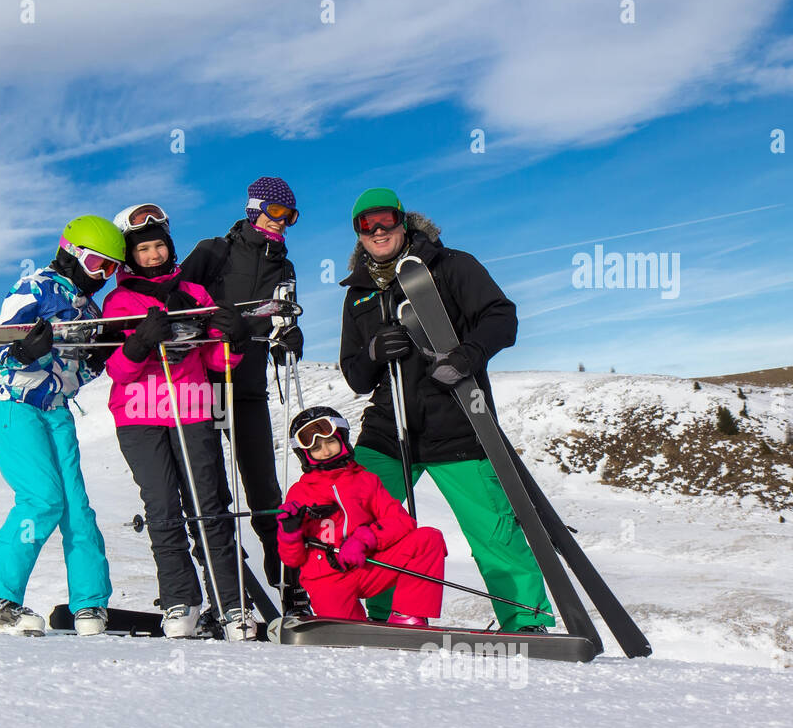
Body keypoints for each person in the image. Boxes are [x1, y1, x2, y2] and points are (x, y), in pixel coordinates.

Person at [338, 187, 553, 632]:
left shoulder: (452, 265)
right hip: (388, 426)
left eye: (385, 220)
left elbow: (501, 317)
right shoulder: (357, 294)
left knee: (493, 530)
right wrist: (374, 352)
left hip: (458, 422)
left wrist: (468, 355)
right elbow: (356, 376)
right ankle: (379, 615)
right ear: (357, 233)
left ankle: (524, 621)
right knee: (357, 523)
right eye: (366, 224)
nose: (378, 231)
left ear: (403, 221)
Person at [102, 203, 256, 640]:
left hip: (191, 408)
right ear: (130, 257)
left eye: (159, 246)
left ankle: (232, 605)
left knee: (209, 508)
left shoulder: (195, 293)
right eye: (143, 249)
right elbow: (116, 371)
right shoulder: (119, 301)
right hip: (138, 415)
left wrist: (234, 339)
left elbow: (214, 359)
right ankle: (180, 601)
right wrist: (140, 345)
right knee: (163, 510)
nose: (153, 255)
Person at [0, 215, 124, 637]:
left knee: (77, 507)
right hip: (15, 403)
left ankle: (90, 604)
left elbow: (77, 372)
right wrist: (18, 350)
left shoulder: (90, 311)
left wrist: (95, 362)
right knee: (41, 499)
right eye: (97, 264)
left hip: (57, 409)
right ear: (71, 252)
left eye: (112, 269)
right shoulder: (33, 287)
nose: (104, 276)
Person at [181, 176, 303, 590]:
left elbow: (282, 319)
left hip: (249, 388)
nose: (282, 223)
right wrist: (214, 319)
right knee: (209, 488)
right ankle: (224, 578)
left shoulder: (283, 267)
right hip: (202, 386)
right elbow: (174, 302)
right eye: (275, 212)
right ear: (255, 208)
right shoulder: (213, 251)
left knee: (266, 489)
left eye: (290, 216)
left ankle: (286, 579)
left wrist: (289, 339)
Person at [276, 407, 446, 624]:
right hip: (327, 580)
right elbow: (293, 559)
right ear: (305, 454)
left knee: (428, 539)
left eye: (330, 442)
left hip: (368, 566)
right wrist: (290, 533)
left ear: (343, 439)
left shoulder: (366, 480)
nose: (326, 451)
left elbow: (402, 521)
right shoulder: (299, 493)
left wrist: (364, 539)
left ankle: (407, 616)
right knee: (349, 636)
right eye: (317, 447)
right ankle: (354, 628)